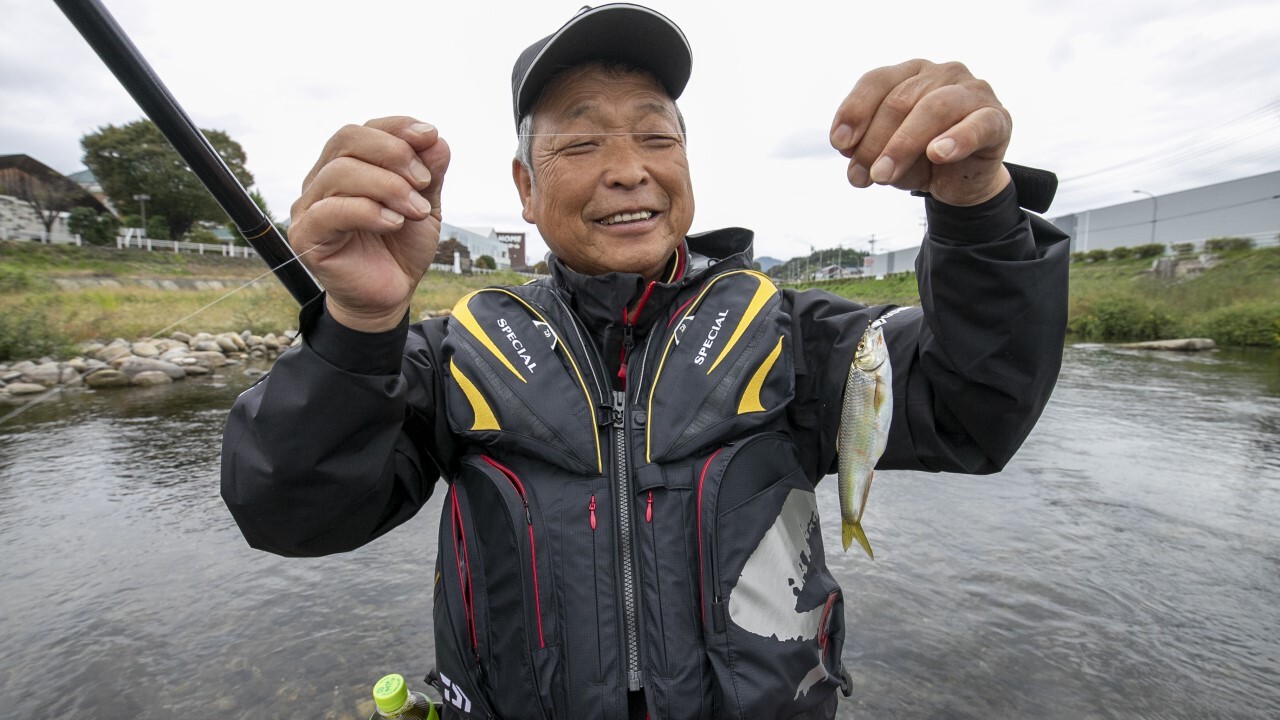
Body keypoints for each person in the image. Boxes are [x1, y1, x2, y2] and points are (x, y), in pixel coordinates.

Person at [221, 4, 1069, 719]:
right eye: (580, 146)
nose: (629, 170)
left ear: (687, 161)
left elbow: (976, 411)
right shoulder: (451, 352)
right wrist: (358, 325)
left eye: (656, 136)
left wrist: (976, 211)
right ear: (523, 186)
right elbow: (292, 516)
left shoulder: (793, 333)